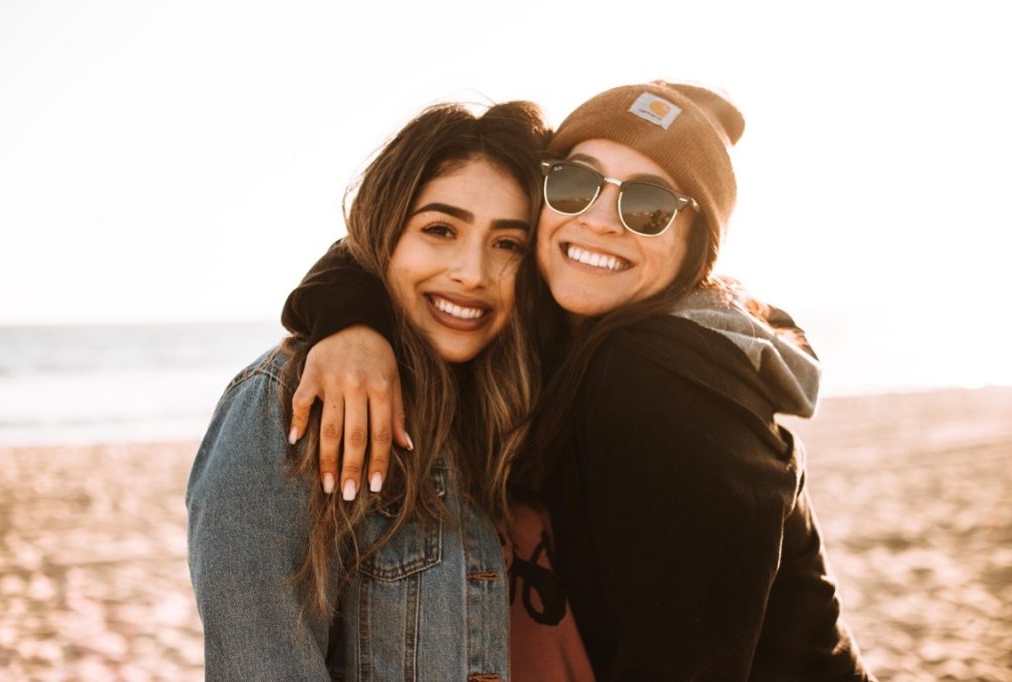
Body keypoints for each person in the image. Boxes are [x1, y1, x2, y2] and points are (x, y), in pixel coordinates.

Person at [280, 81, 876, 680]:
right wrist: (352, 323)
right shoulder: (561, 323)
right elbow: (395, 231)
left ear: (698, 244)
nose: (599, 222)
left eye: (648, 206)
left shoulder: (665, 380)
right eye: (574, 184)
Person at [186, 100, 596, 680]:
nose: (473, 272)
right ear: (385, 233)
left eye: (508, 244)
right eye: (439, 230)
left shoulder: (523, 399)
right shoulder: (288, 403)